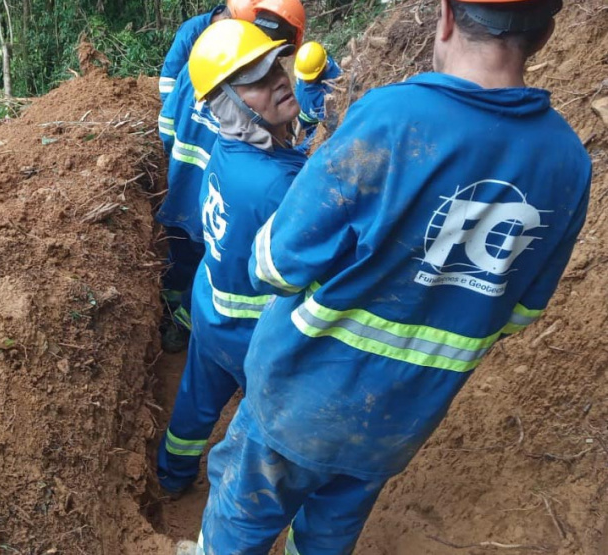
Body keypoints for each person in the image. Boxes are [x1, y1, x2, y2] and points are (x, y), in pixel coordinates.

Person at [194, 0, 590, 553]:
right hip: (401, 417)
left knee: (242, 521)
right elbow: (521, 311)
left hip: (299, 396)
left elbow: (275, 266)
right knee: (331, 529)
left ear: (446, 16)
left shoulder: (393, 121)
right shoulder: (568, 162)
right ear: (547, 31)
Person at [156, 19, 308, 496]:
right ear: (228, 102)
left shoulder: (225, 147)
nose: (280, 78)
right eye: (258, 80)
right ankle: (246, 501)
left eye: (276, 66)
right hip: (251, 336)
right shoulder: (277, 186)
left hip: (211, 309)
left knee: (196, 404)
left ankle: (170, 476)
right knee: (272, 423)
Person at [157, 0, 307, 352]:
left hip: (188, 190)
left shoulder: (199, 70)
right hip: (226, 197)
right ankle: (182, 320)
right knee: (212, 261)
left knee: (187, 259)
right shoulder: (271, 173)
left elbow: (166, 125)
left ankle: (175, 316)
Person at [158, 0, 257, 104]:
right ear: (227, 19)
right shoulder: (192, 30)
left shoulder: (237, 37)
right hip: (188, 101)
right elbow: (169, 77)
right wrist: (171, 109)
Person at [293, 40, 343, 151]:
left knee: (309, 141)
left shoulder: (329, 90)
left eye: (308, 78)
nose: (304, 80)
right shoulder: (311, 63)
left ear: (321, 70)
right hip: (304, 116)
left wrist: (302, 149)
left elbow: (324, 128)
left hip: (314, 123)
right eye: (302, 77)